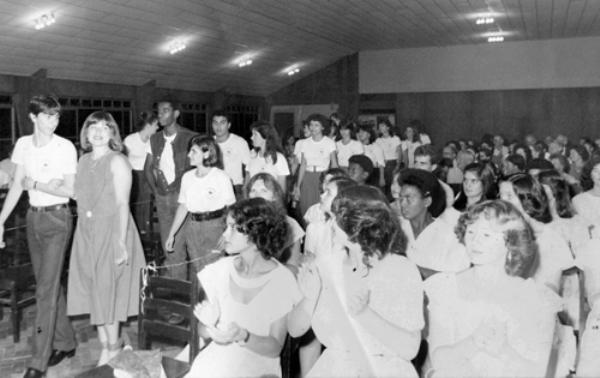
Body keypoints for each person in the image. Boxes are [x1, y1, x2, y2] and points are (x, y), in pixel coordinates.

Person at [289, 185, 424, 377]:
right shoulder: (326, 265)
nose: (331, 224)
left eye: (336, 218)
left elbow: (410, 348)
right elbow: (294, 330)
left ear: (358, 223)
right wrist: (309, 298)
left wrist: (364, 314)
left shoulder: (400, 269)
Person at [425, 200, 560, 377]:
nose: (475, 241)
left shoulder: (535, 296)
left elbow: (539, 372)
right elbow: (437, 360)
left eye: (487, 235)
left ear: (510, 243)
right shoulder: (445, 288)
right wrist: (472, 342)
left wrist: (503, 350)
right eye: (471, 232)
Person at [0, 95, 77, 378]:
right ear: (33, 117)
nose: (53, 122)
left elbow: (72, 191)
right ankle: (67, 342)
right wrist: (0, 219)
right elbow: (18, 186)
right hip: (33, 218)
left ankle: (38, 360)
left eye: (56, 116)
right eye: (47, 116)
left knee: (44, 289)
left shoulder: (65, 147)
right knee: (49, 284)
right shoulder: (22, 145)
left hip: (58, 219)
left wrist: (39, 183)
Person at [185, 198, 301, 378]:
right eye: (227, 227)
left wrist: (243, 336)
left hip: (258, 368)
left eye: (233, 228)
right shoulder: (221, 269)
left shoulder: (282, 280)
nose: (224, 235)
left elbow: (275, 347)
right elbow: (202, 331)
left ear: (256, 234)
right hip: (217, 360)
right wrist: (210, 323)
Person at [67, 111, 146, 366]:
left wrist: (121, 241)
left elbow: (123, 204)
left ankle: (113, 349)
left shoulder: (118, 161)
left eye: (105, 127)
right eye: (93, 127)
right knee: (94, 292)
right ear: (86, 133)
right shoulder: (83, 160)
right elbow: (78, 194)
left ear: (113, 133)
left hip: (112, 231)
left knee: (109, 293)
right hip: (87, 232)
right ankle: (107, 345)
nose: (99, 131)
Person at [165, 136, 235, 278]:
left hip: (215, 227)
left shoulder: (221, 177)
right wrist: (172, 234)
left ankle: (214, 300)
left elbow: (232, 208)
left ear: (206, 154)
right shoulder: (187, 177)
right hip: (193, 227)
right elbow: (183, 207)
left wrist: (228, 232)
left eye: (194, 151)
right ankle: (198, 300)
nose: (189, 155)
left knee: (214, 270)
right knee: (197, 269)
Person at [144, 99, 196, 279]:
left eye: (165, 110)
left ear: (176, 114)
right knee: (169, 243)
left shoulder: (190, 138)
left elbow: (195, 170)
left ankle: (178, 288)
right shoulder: (154, 139)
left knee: (178, 245)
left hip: (184, 199)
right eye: (159, 112)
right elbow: (148, 168)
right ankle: (175, 282)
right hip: (163, 197)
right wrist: (156, 191)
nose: (161, 115)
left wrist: (186, 194)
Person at [499, 173, 574, 292]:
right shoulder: (495, 232)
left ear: (526, 200)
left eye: (509, 196)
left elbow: (551, 290)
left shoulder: (549, 239)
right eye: (501, 195)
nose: (502, 201)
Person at [397, 169, 470, 278]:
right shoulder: (397, 228)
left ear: (427, 201)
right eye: (401, 198)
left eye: (409, 198)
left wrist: (411, 268)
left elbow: (456, 277)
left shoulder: (448, 235)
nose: (402, 204)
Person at [246, 173, 304, 272]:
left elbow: (293, 266)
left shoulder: (290, 224)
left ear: (274, 196)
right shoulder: (242, 222)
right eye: (253, 190)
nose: (257, 195)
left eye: (263, 190)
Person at [293, 113, 338, 217]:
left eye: (316, 125)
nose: (313, 128)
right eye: (311, 125)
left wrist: (334, 183)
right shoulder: (305, 143)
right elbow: (303, 165)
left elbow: (334, 164)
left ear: (323, 127)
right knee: (306, 207)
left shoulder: (329, 143)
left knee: (322, 207)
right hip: (307, 176)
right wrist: (298, 186)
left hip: (323, 176)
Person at [123, 111, 159, 234]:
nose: (158, 128)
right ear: (149, 125)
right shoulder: (130, 140)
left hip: (147, 176)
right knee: (135, 205)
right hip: (133, 176)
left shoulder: (153, 141)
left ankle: (146, 231)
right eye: (156, 125)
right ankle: (135, 231)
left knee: (147, 206)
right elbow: (122, 161)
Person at [212, 110, 251, 197]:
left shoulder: (239, 142)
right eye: (215, 123)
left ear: (229, 125)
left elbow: (249, 168)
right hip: (213, 187)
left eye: (222, 123)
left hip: (235, 188)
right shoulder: (209, 143)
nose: (218, 126)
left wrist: (245, 188)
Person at [245, 121, 290, 191]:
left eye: (255, 135)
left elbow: (282, 188)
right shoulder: (252, 156)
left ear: (265, 136)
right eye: (252, 134)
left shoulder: (278, 158)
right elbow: (247, 182)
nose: (251, 137)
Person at [375, 119, 402, 193]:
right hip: (382, 165)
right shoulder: (378, 140)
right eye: (379, 126)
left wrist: (397, 166)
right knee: (382, 188)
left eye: (383, 126)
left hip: (392, 164)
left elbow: (399, 153)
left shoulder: (395, 138)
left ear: (388, 127)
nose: (380, 128)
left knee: (393, 188)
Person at [357, 123, 385, 188]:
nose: (360, 134)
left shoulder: (375, 146)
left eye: (363, 132)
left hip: (373, 174)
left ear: (369, 135)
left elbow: (381, 164)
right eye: (359, 132)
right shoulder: (357, 146)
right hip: (359, 173)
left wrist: (382, 178)